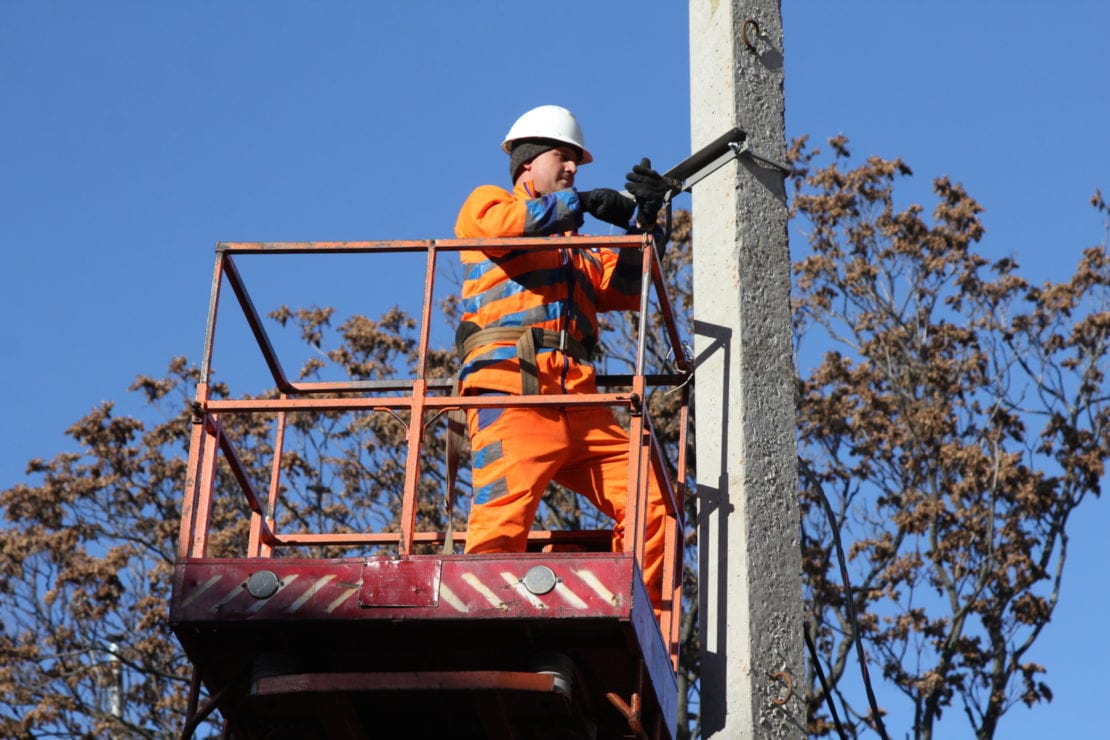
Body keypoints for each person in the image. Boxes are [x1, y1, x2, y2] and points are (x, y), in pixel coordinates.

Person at [453, 105, 673, 615]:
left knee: (653, 499)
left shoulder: (581, 250)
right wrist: (580, 204)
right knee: (501, 525)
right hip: (513, 393)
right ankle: (477, 630)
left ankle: (641, 618)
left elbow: (631, 284)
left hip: (579, 403)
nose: (573, 168)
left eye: (577, 161)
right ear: (527, 162)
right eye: (563, 157)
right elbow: (503, 228)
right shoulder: (487, 203)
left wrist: (648, 221)